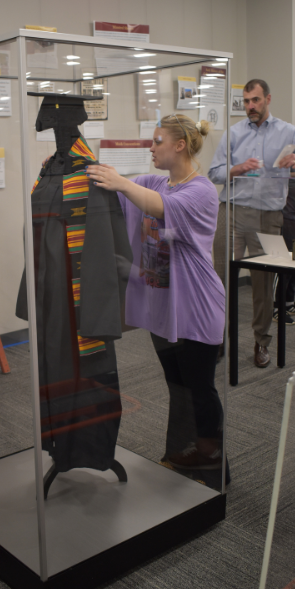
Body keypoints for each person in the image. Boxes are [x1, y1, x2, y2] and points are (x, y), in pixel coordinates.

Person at [87, 114, 226, 473]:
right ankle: (184, 452)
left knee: (199, 387)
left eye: (156, 141)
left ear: (179, 145)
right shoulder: (155, 183)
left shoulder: (201, 191)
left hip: (195, 306)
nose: (151, 147)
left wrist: (121, 183)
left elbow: (159, 207)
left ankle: (212, 459)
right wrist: (71, 166)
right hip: (165, 308)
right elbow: (120, 192)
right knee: (177, 386)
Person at [209, 79, 295, 368]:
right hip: (232, 212)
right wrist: (237, 168)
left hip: (268, 217)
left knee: (263, 286)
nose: (250, 106)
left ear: (268, 99)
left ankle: (261, 342)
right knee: (220, 280)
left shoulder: (289, 131)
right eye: (246, 101)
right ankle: (217, 339)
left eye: (255, 100)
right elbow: (214, 172)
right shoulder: (234, 133)